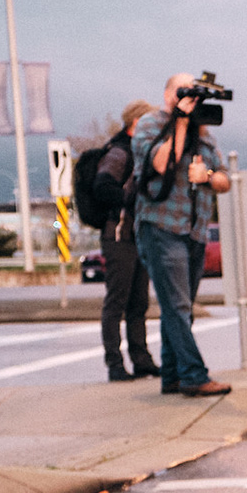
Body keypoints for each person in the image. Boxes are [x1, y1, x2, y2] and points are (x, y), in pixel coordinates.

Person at [131, 73, 232, 399]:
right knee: (176, 305)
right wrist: (180, 121)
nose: (188, 98)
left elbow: (225, 182)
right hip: (161, 226)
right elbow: (161, 164)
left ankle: (172, 376)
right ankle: (193, 376)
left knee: (181, 308)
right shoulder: (150, 124)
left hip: (195, 231)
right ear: (167, 94)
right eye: (182, 91)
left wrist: (209, 175)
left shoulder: (204, 134)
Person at [90, 100, 159, 383]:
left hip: (137, 235)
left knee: (138, 302)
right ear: (136, 124)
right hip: (118, 236)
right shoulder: (119, 152)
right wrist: (132, 199)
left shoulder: (139, 151)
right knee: (116, 302)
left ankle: (142, 360)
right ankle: (115, 364)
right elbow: (102, 187)